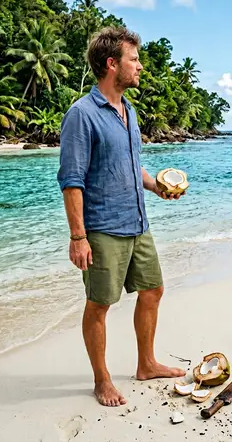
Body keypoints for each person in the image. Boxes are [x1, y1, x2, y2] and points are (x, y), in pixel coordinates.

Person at [57, 26, 186, 407]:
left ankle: (146, 363)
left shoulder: (128, 109)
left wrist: (155, 186)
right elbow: (71, 180)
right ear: (112, 64)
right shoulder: (81, 115)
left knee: (153, 291)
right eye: (134, 60)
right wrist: (78, 237)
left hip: (138, 223)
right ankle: (102, 380)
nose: (140, 66)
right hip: (103, 230)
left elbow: (132, 166)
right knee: (100, 305)